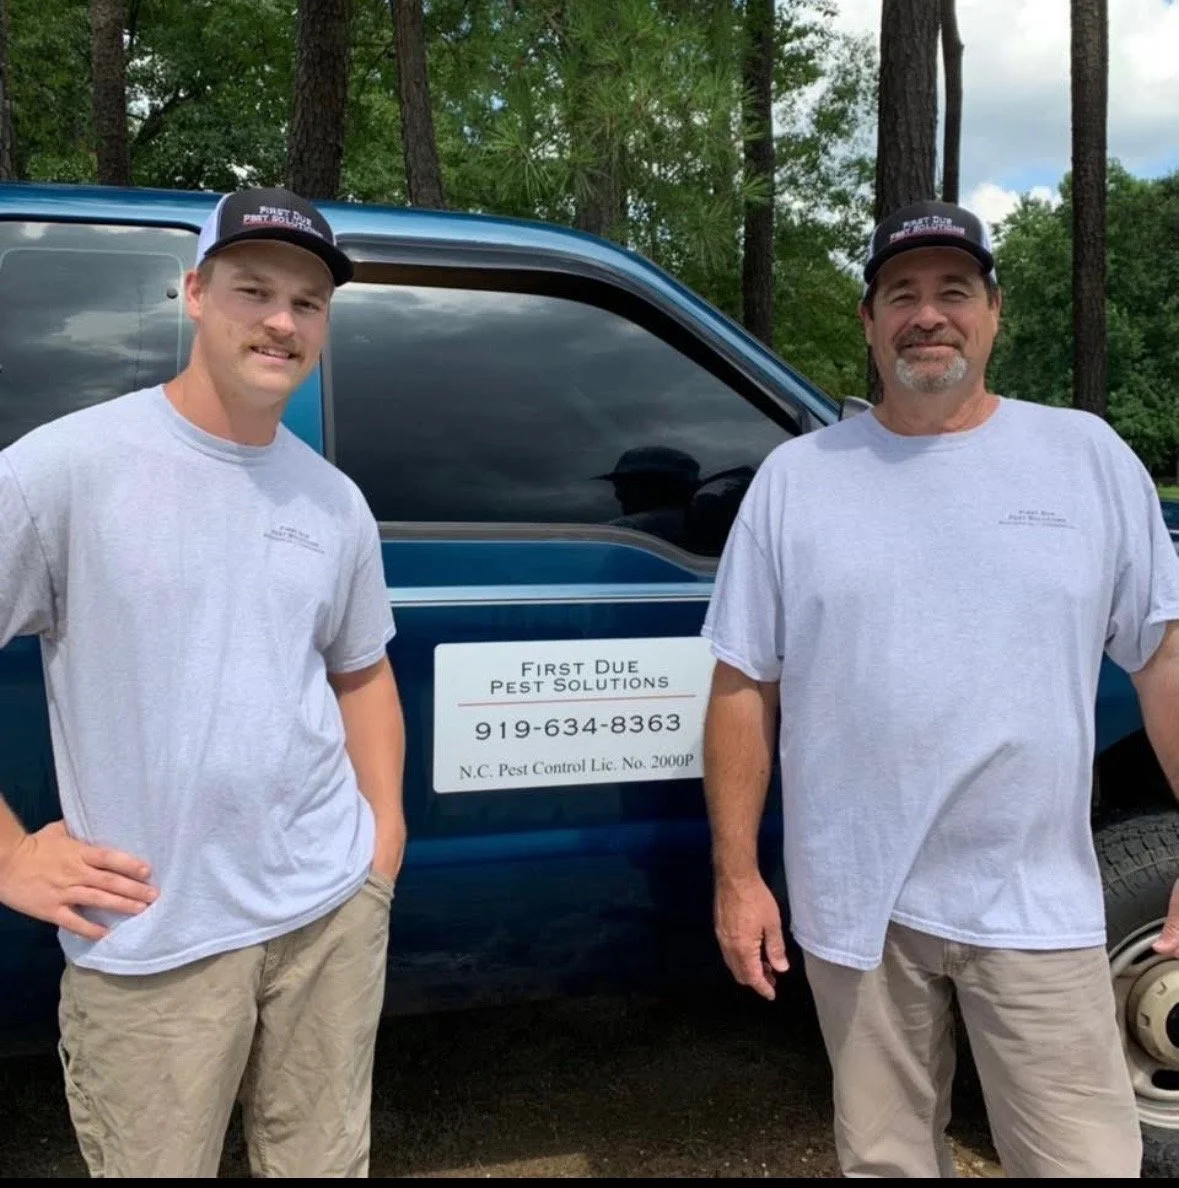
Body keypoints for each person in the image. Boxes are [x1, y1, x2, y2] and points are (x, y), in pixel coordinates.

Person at [700, 198, 1179, 1177]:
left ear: (993, 313)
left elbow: (1164, 660)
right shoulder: (799, 479)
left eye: (953, 291)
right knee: (884, 1161)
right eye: (901, 295)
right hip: (856, 905)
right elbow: (743, 684)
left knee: (1087, 1160)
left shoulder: (1085, 459)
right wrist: (739, 876)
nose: (928, 314)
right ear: (871, 323)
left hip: (1038, 901)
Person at [0, 187, 406, 1177]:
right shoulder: (65, 470)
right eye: (253, 289)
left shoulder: (331, 500)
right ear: (195, 293)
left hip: (327, 918)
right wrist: (7, 855)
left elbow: (362, 672)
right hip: (153, 939)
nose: (281, 320)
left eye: (307, 302)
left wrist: (380, 845)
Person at [598, 445, 701, 548]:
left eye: (627, 486)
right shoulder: (698, 524)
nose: (618, 495)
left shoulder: (633, 528)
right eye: (618, 485)